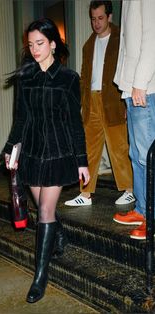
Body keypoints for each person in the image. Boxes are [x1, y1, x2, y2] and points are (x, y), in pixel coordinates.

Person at [3, 18, 90, 303]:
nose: (35, 49)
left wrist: (82, 160)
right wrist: (9, 148)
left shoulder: (68, 79)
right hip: (31, 151)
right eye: (30, 45)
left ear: (53, 43)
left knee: (43, 213)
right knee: (44, 208)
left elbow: (75, 124)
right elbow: (21, 118)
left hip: (58, 152)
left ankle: (40, 276)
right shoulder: (24, 78)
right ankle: (59, 237)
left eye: (40, 43)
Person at [65, 0, 134, 207]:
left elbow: (127, 69)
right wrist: (80, 103)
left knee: (119, 148)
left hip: (113, 101)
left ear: (110, 17)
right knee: (88, 148)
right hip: (92, 102)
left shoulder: (121, 38)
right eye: (93, 19)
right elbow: (85, 76)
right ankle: (85, 194)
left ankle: (129, 190)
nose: (96, 23)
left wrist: (126, 101)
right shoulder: (89, 44)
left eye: (100, 18)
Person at [113, 0, 155, 240]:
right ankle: (142, 209)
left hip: (145, 86)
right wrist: (127, 90)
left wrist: (139, 83)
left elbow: (151, 40)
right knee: (136, 155)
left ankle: (152, 216)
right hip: (133, 88)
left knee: (148, 157)